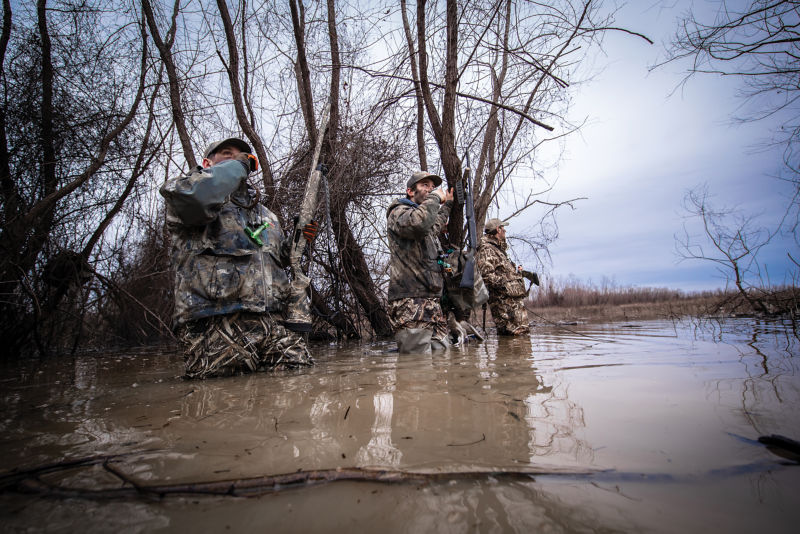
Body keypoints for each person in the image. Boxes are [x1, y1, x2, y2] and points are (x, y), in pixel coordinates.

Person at [160, 137, 316, 378]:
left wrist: (298, 238)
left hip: (273, 324)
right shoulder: (186, 193)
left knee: (298, 388)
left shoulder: (266, 216)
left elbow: (275, 262)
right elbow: (198, 195)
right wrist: (237, 167)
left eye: (243, 154)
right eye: (227, 153)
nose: (238, 157)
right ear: (207, 162)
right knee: (225, 404)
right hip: (214, 325)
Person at [386, 170, 454, 353]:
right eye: (425, 186)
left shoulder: (425, 217)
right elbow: (418, 224)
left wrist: (447, 204)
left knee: (442, 358)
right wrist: (434, 199)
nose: (431, 190)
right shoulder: (398, 212)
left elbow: (435, 224)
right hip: (410, 302)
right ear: (410, 191)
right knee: (416, 369)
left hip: (431, 302)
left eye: (433, 187)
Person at [477, 218, 534, 335]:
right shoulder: (487, 249)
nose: (505, 231)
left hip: (513, 305)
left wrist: (515, 275)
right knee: (512, 338)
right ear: (498, 230)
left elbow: (501, 272)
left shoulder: (498, 249)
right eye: (503, 228)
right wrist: (507, 284)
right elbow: (486, 276)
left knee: (521, 339)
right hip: (505, 306)